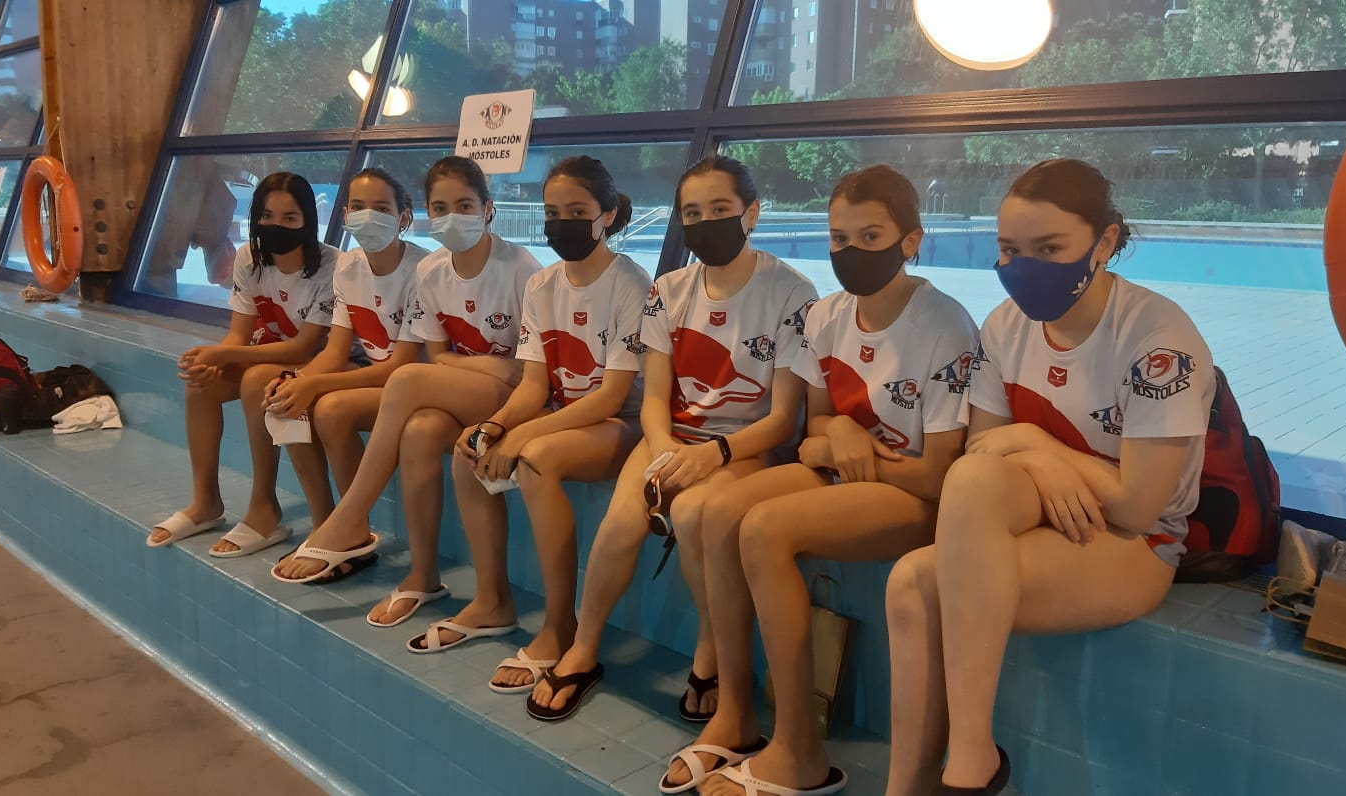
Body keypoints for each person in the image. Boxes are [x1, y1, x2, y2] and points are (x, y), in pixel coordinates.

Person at [883, 158, 1215, 796]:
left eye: (1049, 248)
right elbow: (982, 452)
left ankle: (969, 763)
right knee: (920, 563)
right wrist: (1036, 454)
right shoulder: (1005, 327)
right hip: (1044, 512)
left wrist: (1033, 442)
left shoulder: (1157, 339)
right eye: (1010, 249)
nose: (1024, 266)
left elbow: (1138, 507)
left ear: (1105, 242)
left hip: (1136, 543)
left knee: (922, 584)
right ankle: (920, 784)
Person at [691, 165, 979, 796]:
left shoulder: (945, 327)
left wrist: (843, 448)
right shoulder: (825, 316)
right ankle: (734, 712)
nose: (851, 252)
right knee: (718, 512)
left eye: (870, 237)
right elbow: (815, 431)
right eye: (839, 238)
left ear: (910, 241)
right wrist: (838, 435)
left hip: (911, 497)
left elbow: (936, 474)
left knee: (764, 529)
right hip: (850, 477)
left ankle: (798, 750)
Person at [528, 155, 818, 724]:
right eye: (693, 213)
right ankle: (584, 648)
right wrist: (664, 452)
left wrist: (713, 456)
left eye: (720, 209)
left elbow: (784, 419)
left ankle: (708, 656)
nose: (705, 222)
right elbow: (656, 397)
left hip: (746, 444)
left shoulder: (792, 293)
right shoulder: (669, 289)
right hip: (672, 435)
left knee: (692, 519)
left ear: (752, 213)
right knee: (618, 528)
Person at [406, 156, 649, 700]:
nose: (562, 223)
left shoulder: (631, 284)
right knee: (469, 450)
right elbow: (535, 386)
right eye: (553, 213)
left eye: (577, 212)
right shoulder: (542, 284)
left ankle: (560, 624)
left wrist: (524, 436)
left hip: (621, 423)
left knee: (539, 460)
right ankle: (492, 600)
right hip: (565, 411)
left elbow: (611, 396)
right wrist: (496, 425)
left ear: (607, 214)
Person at [295, 156, 541, 628]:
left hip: (520, 397)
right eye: (441, 208)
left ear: (488, 209)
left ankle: (350, 517)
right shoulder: (431, 270)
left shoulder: (521, 270)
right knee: (420, 430)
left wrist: (490, 368)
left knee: (406, 379)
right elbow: (441, 355)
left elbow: (529, 372)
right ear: (427, 213)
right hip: (475, 384)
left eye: (465, 205)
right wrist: (488, 363)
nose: (452, 217)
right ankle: (423, 576)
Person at [148, 172, 338, 556]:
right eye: (267, 216)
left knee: (256, 380)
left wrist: (226, 354)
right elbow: (239, 334)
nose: (276, 226)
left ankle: (263, 508)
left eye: (289, 218)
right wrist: (214, 359)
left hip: (319, 362)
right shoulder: (250, 258)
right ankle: (205, 502)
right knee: (201, 383)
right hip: (270, 356)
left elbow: (302, 348)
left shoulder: (331, 265)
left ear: (307, 221)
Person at [263, 167, 431, 581]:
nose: (367, 216)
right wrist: (297, 379)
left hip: (417, 385)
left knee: (331, 408)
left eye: (381, 208)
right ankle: (327, 524)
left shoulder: (422, 270)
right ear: (344, 215)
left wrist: (315, 383)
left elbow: (401, 366)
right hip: (379, 378)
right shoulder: (349, 265)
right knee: (288, 401)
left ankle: (353, 528)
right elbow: (336, 351)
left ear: (404, 217)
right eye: (357, 206)